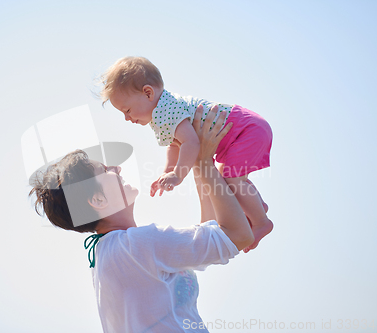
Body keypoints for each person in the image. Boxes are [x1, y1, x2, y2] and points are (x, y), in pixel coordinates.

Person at [29, 107, 254, 332]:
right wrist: (204, 162)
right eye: (104, 169)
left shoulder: (112, 252)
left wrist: (198, 161)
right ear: (97, 199)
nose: (116, 168)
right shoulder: (135, 245)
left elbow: (209, 233)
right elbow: (238, 236)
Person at [98, 56, 273, 253]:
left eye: (127, 110)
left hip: (245, 130)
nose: (127, 118)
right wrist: (168, 171)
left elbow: (191, 143)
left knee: (231, 179)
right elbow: (176, 145)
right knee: (225, 180)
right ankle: (257, 207)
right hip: (244, 129)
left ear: (148, 93)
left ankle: (261, 222)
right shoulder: (161, 112)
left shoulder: (167, 109)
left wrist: (178, 175)